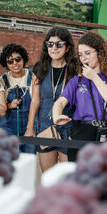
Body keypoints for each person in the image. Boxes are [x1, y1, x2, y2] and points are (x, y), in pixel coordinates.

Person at [52, 31, 107, 162]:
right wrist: (56, 115)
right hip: (82, 132)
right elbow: (60, 102)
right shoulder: (77, 81)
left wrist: (94, 77)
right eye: (80, 55)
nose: (83, 58)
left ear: (100, 52)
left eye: (88, 53)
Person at [25, 27, 77, 172]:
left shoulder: (74, 68)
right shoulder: (40, 68)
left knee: (68, 176)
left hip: (68, 127)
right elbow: (35, 100)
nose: (54, 48)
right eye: (50, 44)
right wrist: (30, 128)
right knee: (48, 176)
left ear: (67, 48)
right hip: (45, 127)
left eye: (59, 44)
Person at [0, 43, 34, 153]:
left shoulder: (33, 76)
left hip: (30, 124)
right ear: (6, 64)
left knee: (29, 159)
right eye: (10, 61)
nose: (15, 63)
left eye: (18, 59)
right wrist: (10, 105)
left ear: (23, 59)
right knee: (10, 159)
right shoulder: (2, 80)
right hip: (9, 126)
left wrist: (31, 127)